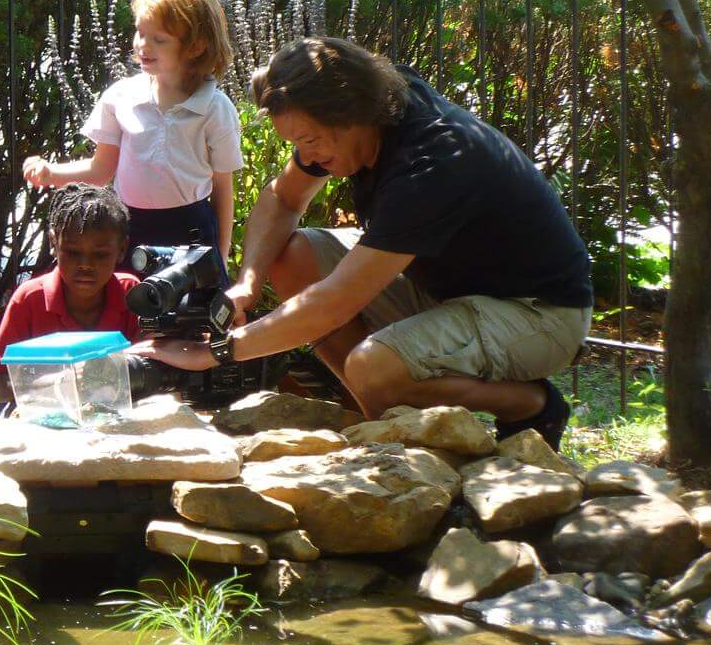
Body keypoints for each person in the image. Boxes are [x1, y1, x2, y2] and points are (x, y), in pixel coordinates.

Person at [135, 37, 593, 447]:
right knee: (292, 256)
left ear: (350, 113)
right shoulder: (377, 108)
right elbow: (281, 199)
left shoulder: (430, 162)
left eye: (310, 139)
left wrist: (216, 353)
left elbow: (333, 303)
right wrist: (247, 285)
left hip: (538, 315)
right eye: (298, 142)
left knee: (374, 366)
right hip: (450, 290)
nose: (307, 155)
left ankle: (528, 404)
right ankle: (380, 413)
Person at [24, 0, 244, 263]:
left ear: (196, 46)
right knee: (127, 304)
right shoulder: (121, 97)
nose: (143, 45)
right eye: (140, 32)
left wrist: (221, 258)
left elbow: (222, 189)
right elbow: (101, 169)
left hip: (191, 232)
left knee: (189, 308)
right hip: (128, 229)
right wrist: (52, 173)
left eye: (159, 39)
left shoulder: (215, 109)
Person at [0, 185, 145, 399]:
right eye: (72, 252)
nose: (85, 265)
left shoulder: (132, 294)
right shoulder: (28, 299)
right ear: (54, 243)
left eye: (100, 255)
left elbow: (147, 366)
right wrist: (64, 382)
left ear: (122, 250)